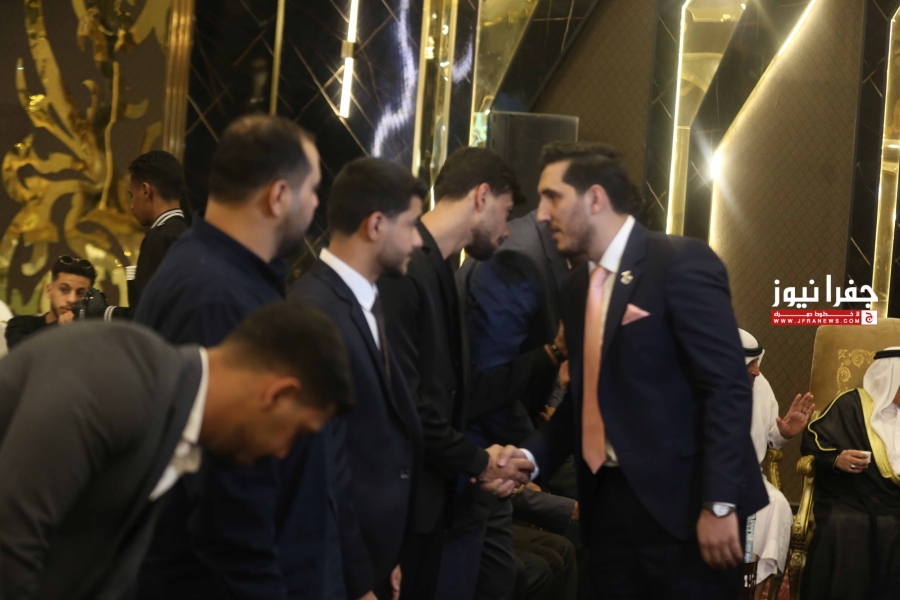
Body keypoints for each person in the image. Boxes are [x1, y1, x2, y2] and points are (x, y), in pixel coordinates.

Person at [518, 142, 767, 598]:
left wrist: (718, 504)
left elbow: (727, 388)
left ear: (595, 198)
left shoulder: (680, 261)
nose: (542, 213)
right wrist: (528, 459)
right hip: (607, 510)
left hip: (688, 512)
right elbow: (584, 405)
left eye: (552, 197)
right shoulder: (575, 289)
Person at [0, 301, 353, 600]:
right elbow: (9, 543)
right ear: (277, 395)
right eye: (297, 433)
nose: (282, 453)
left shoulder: (170, 413)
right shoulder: (117, 380)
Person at [133, 114, 347, 599]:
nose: (317, 204)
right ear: (278, 196)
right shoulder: (214, 296)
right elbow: (230, 506)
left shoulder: (226, 276)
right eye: (313, 190)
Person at [378, 147, 535, 600]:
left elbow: (442, 395)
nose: (507, 231)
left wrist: (480, 458)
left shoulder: (443, 267)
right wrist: (480, 462)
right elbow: (407, 400)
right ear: (481, 197)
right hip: (397, 508)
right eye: (507, 213)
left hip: (430, 500)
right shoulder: (406, 267)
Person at [288, 157, 429, 599]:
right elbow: (325, 466)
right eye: (412, 225)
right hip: (337, 573)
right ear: (376, 225)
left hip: (374, 556)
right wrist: (358, 578)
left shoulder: (365, 299)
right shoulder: (314, 311)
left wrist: (386, 557)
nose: (419, 240)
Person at [801, 347, 900, 599]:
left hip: (895, 499)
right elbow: (814, 440)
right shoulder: (851, 404)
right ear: (890, 378)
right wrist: (837, 458)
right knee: (843, 525)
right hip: (853, 496)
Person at [738, 328, 813, 594]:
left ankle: (749, 589)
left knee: (775, 504)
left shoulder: (761, 386)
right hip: (701, 479)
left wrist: (783, 433)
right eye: (751, 363)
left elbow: (768, 441)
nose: (757, 371)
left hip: (747, 478)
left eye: (758, 361)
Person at [98, 151, 189, 319]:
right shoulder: (191, 236)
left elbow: (146, 318)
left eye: (131, 195)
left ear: (146, 191)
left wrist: (102, 312)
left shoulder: (159, 239)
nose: (131, 206)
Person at [4, 255, 96, 350]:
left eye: (80, 293)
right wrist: (61, 327)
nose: (72, 299)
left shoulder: (93, 336)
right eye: (64, 289)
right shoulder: (22, 325)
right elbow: (25, 354)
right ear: (49, 291)